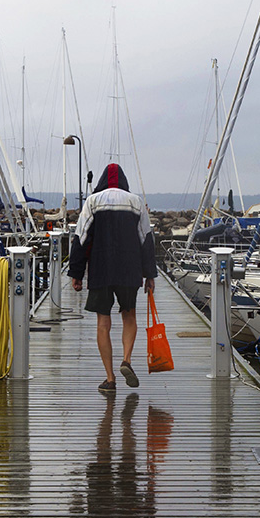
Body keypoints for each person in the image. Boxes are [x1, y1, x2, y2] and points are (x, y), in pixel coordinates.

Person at [68, 163, 157, 393]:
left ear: (102, 180)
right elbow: (146, 239)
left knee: (103, 323)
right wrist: (150, 274)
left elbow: (80, 238)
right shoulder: (136, 202)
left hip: (101, 268)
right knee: (129, 316)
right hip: (129, 269)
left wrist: (76, 273)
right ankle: (126, 359)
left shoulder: (93, 201)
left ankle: (110, 379)